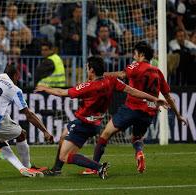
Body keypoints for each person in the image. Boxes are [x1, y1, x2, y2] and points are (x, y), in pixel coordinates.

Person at [35, 56, 168, 179]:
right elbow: (132, 91)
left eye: (87, 68)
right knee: (64, 136)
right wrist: (154, 98)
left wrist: (45, 88)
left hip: (83, 123)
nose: (86, 70)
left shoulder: (88, 87)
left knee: (64, 156)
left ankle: (98, 167)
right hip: (95, 123)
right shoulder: (111, 81)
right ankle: (56, 170)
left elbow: (61, 92)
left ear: (92, 70)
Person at [89, 42, 187, 174]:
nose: (134, 56)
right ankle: (139, 153)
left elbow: (122, 75)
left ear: (141, 55)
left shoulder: (135, 66)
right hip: (149, 112)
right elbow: (168, 96)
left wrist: (102, 75)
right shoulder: (158, 72)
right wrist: (179, 115)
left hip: (132, 107)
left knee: (106, 133)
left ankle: (93, 168)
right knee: (136, 138)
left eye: (135, 54)